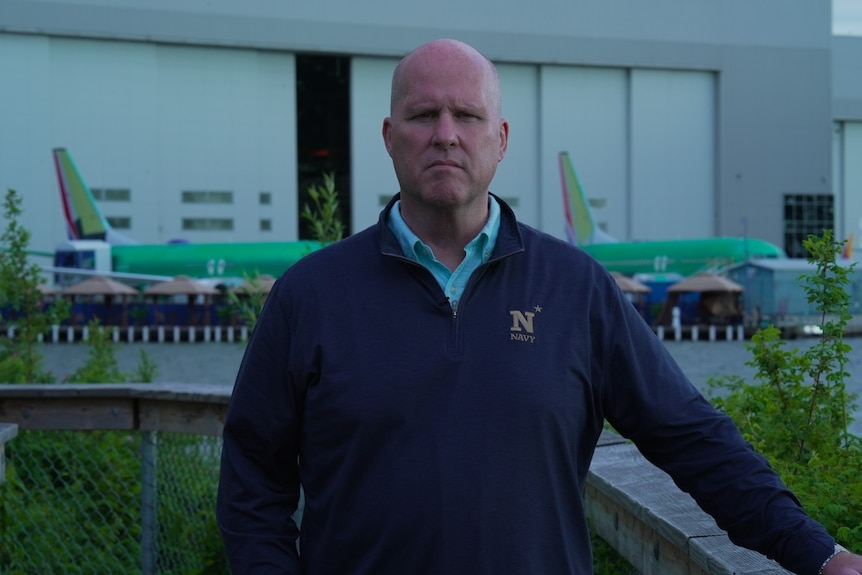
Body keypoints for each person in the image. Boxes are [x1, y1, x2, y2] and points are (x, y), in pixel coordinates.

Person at [217, 38, 862, 575]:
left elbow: (692, 437)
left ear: (500, 138)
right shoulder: (310, 295)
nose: (446, 136)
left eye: (467, 117)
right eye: (423, 116)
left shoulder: (577, 289)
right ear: (390, 136)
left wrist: (820, 555)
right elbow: (252, 479)